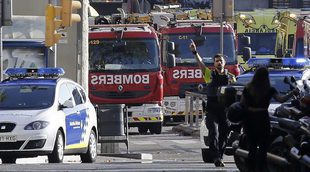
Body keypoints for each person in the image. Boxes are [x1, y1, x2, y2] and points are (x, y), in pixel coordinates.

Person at [240, 67, 299, 172]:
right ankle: (260, 168)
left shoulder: (248, 88)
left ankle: (250, 169)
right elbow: (281, 99)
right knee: (263, 148)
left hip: (249, 120)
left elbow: (242, 103)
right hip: (263, 119)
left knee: (252, 148)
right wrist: (292, 93)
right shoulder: (270, 89)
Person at [189, 40, 236, 167]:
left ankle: (220, 156)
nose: (219, 62)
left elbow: (235, 93)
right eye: (216, 61)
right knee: (213, 132)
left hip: (225, 110)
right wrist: (195, 52)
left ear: (224, 62)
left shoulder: (231, 77)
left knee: (224, 134)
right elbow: (201, 64)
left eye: (220, 60)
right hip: (212, 109)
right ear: (214, 63)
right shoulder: (209, 75)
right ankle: (216, 157)